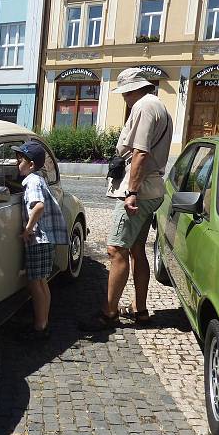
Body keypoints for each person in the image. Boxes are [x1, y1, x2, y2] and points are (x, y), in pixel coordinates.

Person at [79, 68, 173, 331]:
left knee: (116, 250)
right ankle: (140, 309)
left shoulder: (143, 107)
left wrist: (131, 192)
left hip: (139, 192)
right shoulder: (158, 105)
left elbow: (140, 153)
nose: (123, 99)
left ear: (132, 90)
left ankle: (108, 314)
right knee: (136, 250)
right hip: (152, 189)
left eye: (124, 94)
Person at [13, 141, 68, 341]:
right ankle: (43, 322)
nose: (18, 162)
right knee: (42, 282)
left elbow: (38, 207)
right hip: (46, 238)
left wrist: (27, 230)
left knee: (34, 282)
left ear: (31, 165)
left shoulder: (32, 181)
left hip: (38, 238)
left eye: (21, 159)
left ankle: (39, 326)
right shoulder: (39, 178)